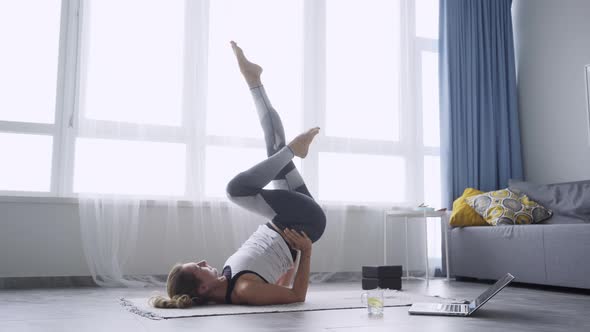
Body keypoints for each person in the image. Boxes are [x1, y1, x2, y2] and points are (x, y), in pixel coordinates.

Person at [149, 41, 327, 308]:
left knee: (274, 148)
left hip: (289, 220)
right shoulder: (243, 290)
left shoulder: (228, 276)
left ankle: (254, 81)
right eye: (198, 267)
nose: (202, 262)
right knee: (236, 190)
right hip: (303, 221)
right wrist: (307, 250)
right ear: (203, 287)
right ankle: (291, 147)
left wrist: (291, 259)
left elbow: (278, 275)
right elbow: (296, 296)